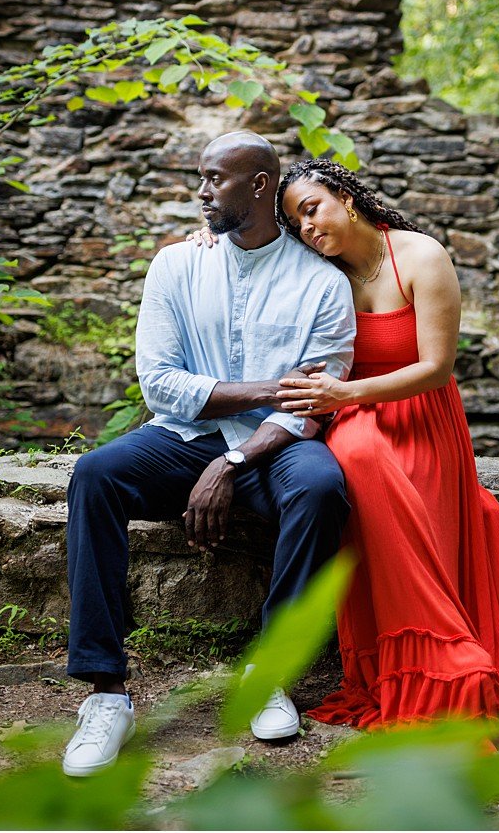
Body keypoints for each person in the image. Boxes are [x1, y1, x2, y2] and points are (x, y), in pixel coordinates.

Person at [262, 159, 499, 737]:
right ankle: (443, 656)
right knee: (357, 456)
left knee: (433, 495)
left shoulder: (421, 256)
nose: (306, 229)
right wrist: (210, 236)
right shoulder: (312, 268)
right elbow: (246, 254)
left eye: (312, 210)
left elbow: (436, 368)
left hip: (423, 417)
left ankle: (447, 654)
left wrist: (346, 390)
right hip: (352, 416)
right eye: (294, 223)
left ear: (347, 198)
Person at [62, 133, 356, 777]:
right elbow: (160, 383)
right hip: (181, 437)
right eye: (199, 177)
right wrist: (267, 387)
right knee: (94, 474)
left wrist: (235, 462)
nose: (200, 192)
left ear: (258, 185)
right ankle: (106, 695)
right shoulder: (176, 265)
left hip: (273, 447)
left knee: (320, 487)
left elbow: (310, 403)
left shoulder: (322, 284)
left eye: (214, 179)